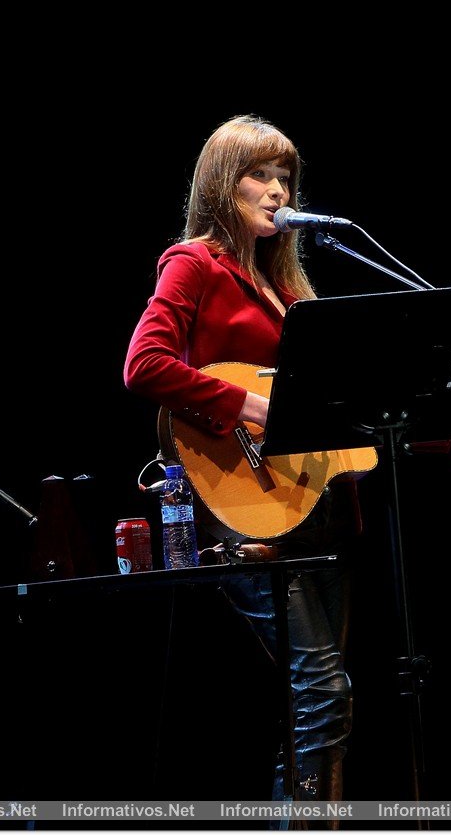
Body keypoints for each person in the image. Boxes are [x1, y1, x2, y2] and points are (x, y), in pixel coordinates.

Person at [124, 114, 356, 816]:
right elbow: (145, 365)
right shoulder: (193, 262)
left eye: (286, 175)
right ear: (223, 184)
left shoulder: (289, 290)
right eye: (261, 174)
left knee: (317, 700)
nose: (279, 189)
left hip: (306, 507)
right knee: (322, 691)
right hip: (235, 501)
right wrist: (250, 407)